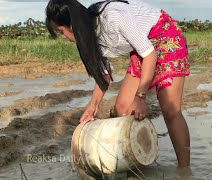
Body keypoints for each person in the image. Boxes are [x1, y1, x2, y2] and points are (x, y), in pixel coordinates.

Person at [45, 0, 190, 167]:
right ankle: (139, 161)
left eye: (61, 31)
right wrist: (93, 107)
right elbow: (104, 74)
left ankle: (184, 171)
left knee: (170, 110)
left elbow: (150, 55)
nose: (63, 36)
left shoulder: (113, 16)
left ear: (73, 25)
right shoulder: (88, 37)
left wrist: (141, 97)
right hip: (143, 47)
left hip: (165, 35)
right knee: (123, 109)